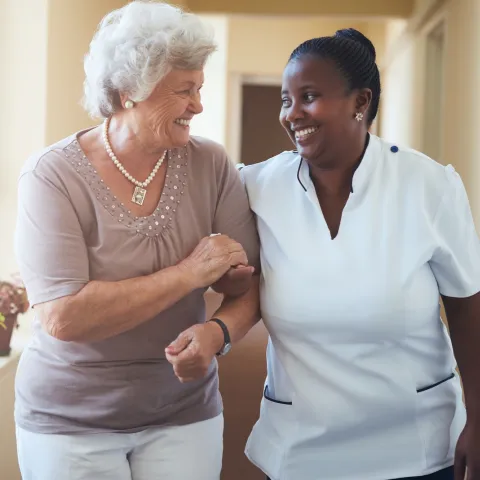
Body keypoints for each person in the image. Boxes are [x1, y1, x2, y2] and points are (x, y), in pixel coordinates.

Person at [172, 29, 480, 480]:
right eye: (285, 100)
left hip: (417, 445)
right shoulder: (256, 187)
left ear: (361, 102)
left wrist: (478, 415)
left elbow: (467, 307)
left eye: (309, 97)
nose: (292, 114)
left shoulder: (429, 186)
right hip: (302, 449)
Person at [13, 2, 260, 479]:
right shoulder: (52, 175)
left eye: (201, 88)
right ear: (129, 91)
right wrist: (190, 273)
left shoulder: (211, 164)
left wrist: (218, 331)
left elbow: (245, 286)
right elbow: (65, 316)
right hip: (69, 423)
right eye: (185, 90)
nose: (199, 105)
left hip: (184, 413)